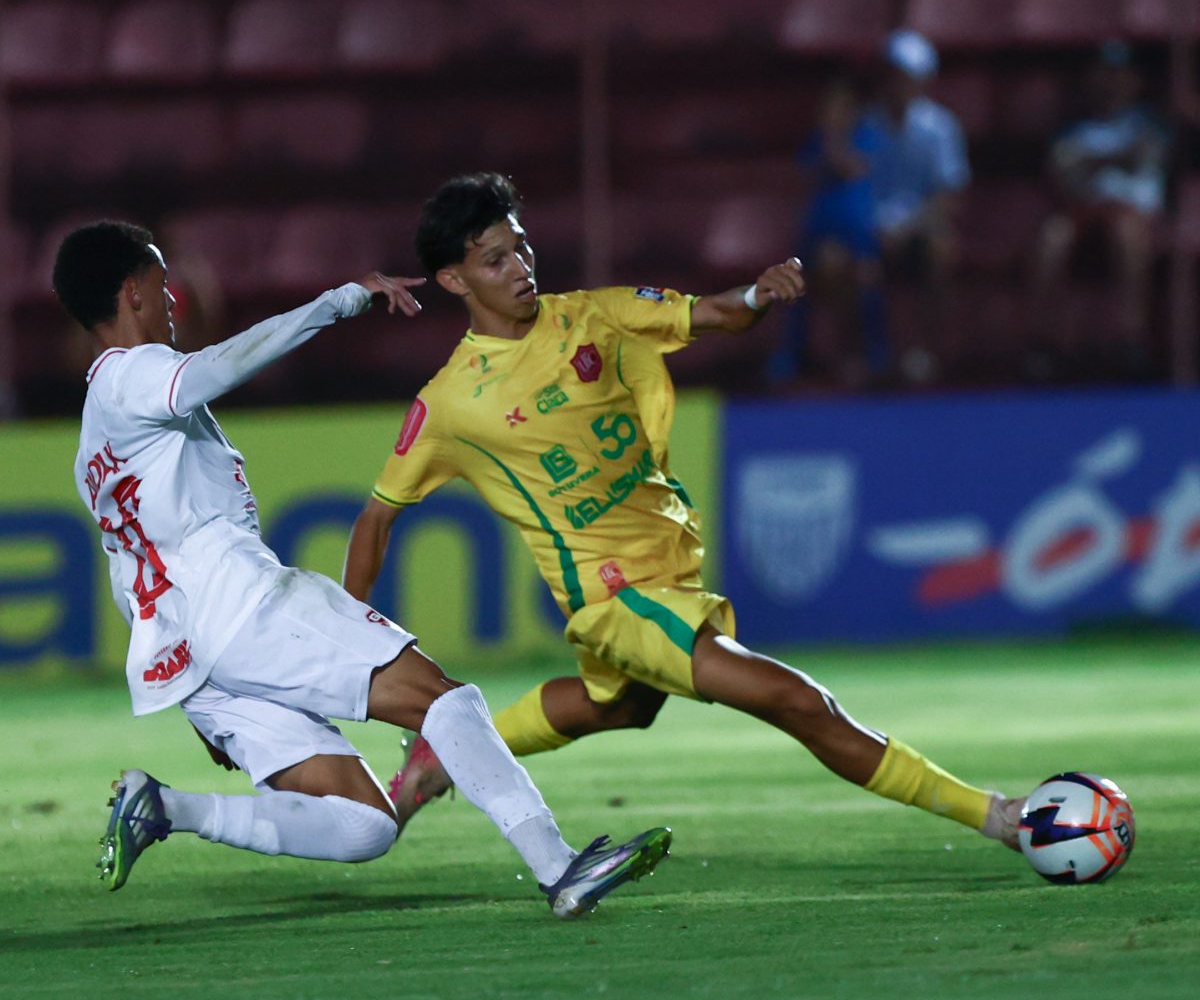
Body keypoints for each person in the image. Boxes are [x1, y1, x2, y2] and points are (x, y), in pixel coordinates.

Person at [341, 173, 1025, 857]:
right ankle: (1000, 817)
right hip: (614, 595)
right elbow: (377, 516)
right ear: (455, 282)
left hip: (669, 564)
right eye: (496, 260)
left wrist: (759, 294)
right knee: (798, 702)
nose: (520, 269)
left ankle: (437, 755)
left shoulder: (592, 315)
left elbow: (717, 313)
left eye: (521, 248)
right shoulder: (452, 402)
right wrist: (346, 632)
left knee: (619, 706)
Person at [54, 220, 670, 919]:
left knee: (364, 826)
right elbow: (217, 369)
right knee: (444, 700)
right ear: (133, 290)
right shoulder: (135, 376)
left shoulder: (91, 447)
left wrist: (200, 688)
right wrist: (338, 301)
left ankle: (163, 807)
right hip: (242, 606)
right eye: (163, 281)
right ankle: (561, 870)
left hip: (191, 652)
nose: (174, 297)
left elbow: (128, 572)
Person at [1031, 40, 1169, 378]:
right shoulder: (1073, 127)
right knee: (1052, 237)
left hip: (1130, 213)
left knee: (1125, 235)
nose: (1111, 82)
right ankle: (1046, 343)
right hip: (1082, 210)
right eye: (1104, 74)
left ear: (1134, 80)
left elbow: (1149, 156)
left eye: (1119, 75)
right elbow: (1061, 171)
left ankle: (1131, 339)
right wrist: (1116, 158)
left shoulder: (1148, 122)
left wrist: (1094, 161)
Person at [862, 30, 970, 383]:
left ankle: (933, 353)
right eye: (892, 74)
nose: (898, 84)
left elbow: (948, 194)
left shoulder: (940, 127)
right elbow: (854, 187)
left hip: (921, 227)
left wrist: (909, 228)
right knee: (840, 259)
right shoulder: (865, 125)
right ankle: (861, 358)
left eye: (906, 76)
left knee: (940, 250)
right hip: (870, 228)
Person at [770, 77, 888, 387]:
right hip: (819, 233)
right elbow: (805, 174)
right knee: (794, 279)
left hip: (859, 234)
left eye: (841, 108)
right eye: (829, 108)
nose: (834, 114)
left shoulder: (867, 137)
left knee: (866, 277)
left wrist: (836, 138)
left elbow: (854, 167)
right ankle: (792, 354)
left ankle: (875, 353)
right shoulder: (815, 142)